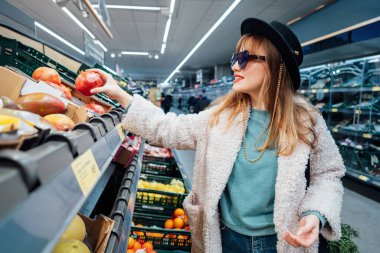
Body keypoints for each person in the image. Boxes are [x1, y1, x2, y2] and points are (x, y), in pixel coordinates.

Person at [89, 18, 345, 253]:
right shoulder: (221, 117)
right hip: (225, 239)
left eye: (245, 58)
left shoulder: (307, 123)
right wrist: (120, 95)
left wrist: (315, 213)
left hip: (282, 242)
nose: (235, 65)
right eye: (236, 56)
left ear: (275, 66)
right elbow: (167, 128)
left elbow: (328, 173)